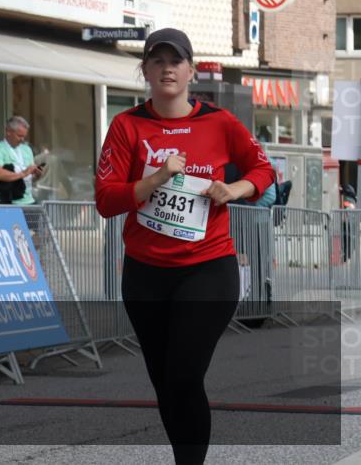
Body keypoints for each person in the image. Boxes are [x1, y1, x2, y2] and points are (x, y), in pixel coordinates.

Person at [94, 28, 274, 465]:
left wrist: (234, 189)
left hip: (207, 269)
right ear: (145, 71)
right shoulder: (127, 126)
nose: (167, 68)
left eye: (176, 61)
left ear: (191, 70)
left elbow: (264, 170)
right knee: (165, 382)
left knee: (184, 375)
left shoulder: (219, 122)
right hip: (146, 274)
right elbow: (105, 200)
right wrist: (156, 178)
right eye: (157, 61)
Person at [0, 116, 45, 205]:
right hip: (9, 203)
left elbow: (29, 178)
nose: (22, 139)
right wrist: (24, 173)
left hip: (30, 201)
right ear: (8, 132)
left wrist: (36, 175)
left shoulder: (27, 149)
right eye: (19, 136)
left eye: (24, 136)